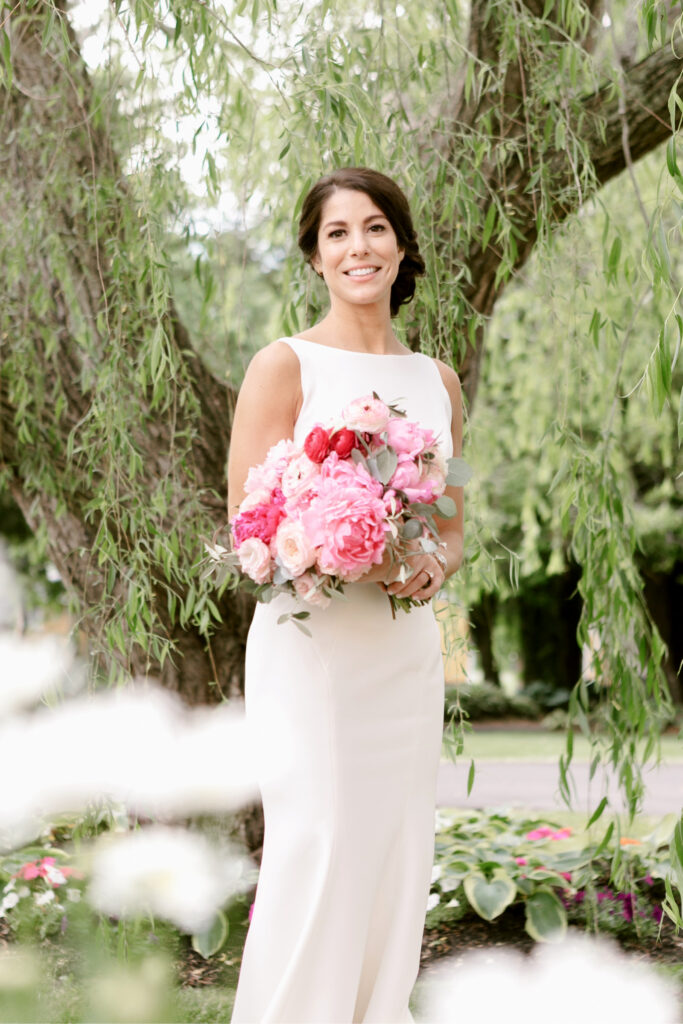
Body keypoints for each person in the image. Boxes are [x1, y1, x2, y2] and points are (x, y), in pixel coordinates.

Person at [228, 167, 464, 1023]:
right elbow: (251, 527)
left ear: (402, 248)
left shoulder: (437, 382)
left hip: (403, 652)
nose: (357, 247)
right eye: (337, 233)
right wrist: (343, 548)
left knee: (394, 846)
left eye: (374, 229)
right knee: (318, 842)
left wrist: (434, 565)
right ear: (315, 256)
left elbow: (453, 518)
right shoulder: (283, 365)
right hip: (312, 651)